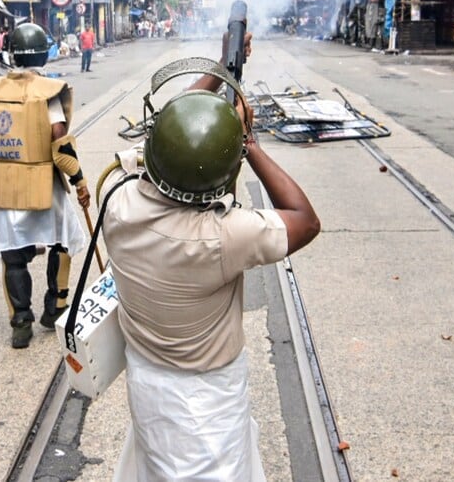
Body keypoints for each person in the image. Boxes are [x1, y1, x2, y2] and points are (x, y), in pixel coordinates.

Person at [101, 37, 322, 480]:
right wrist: (250, 143)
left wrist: (222, 68)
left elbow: (170, 131)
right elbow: (306, 220)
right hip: (208, 403)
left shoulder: (118, 199)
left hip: (148, 381)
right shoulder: (222, 237)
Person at [0, 23, 92, 348]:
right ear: (43, 54)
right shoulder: (48, 93)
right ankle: (56, 307)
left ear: (12, 54)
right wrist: (79, 180)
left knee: (12, 256)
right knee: (63, 240)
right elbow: (60, 144)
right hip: (43, 185)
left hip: (2, 187)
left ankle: (20, 323)